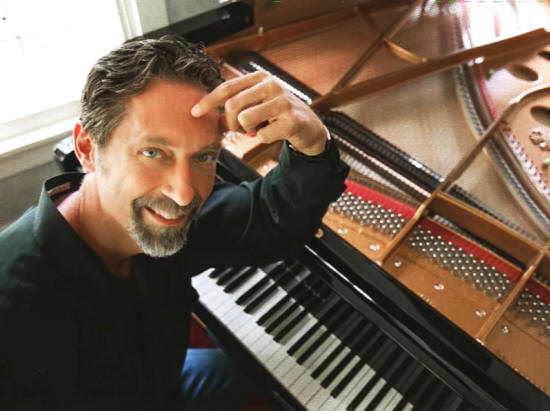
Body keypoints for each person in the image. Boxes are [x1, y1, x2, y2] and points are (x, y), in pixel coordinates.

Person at [0, 35, 348, 410]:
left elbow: (269, 216)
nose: (183, 196)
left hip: (166, 383)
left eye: (203, 157)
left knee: (242, 369)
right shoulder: (12, 314)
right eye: (153, 152)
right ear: (87, 149)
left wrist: (312, 143)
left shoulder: (155, 215)